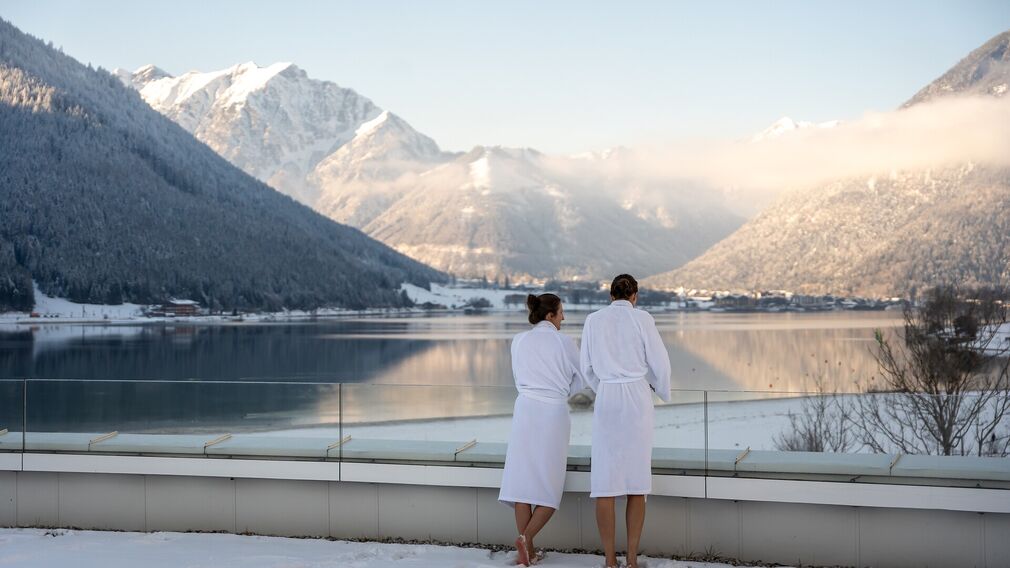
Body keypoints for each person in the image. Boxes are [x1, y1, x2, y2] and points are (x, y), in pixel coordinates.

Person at [581, 274, 671, 568]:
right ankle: (631, 559)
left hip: (607, 398)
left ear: (611, 295)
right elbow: (660, 362)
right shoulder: (643, 319)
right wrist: (659, 388)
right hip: (636, 398)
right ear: (635, 295)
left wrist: (604, 386)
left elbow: (587, 368)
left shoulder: (593, 320)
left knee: (605, 482)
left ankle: (609, 560)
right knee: (636, 481)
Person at [499, 293, 588, 566]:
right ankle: (526, 539)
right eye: (561, 312)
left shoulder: (519, 341)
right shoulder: (564, 342)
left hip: (525, 409)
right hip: (552, 412)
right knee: (549, 486)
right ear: (550, 315)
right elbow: (583, 376)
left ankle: (529, 551)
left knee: (523, 483)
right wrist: (561, 391)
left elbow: (518, 377)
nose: (564, 317)